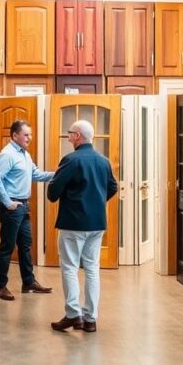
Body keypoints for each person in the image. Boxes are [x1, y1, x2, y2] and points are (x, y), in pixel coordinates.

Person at [46, 120, 118, 333]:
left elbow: (53, 193)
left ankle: (72, 315)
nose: (68, 136)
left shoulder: (70, 160)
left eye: (70, 133)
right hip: (97, 223)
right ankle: (90, 319)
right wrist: (95, 202)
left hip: (73, 223)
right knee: (92, 269)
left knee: (69, 267)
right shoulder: (103, 161)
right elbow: (112, 187)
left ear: (77, 136)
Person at [0, 120, 54, 300]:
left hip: (24, 206)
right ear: (15, 135)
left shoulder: (24, 154)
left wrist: (58, 173)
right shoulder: (7, 154)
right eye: (26, 135)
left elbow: (36, 174)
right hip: (12, 208)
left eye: (30, 134)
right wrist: (8, 202)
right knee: (7, 247)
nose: (30, 138)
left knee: (26, 245)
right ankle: (0, 287)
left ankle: (28, 282)